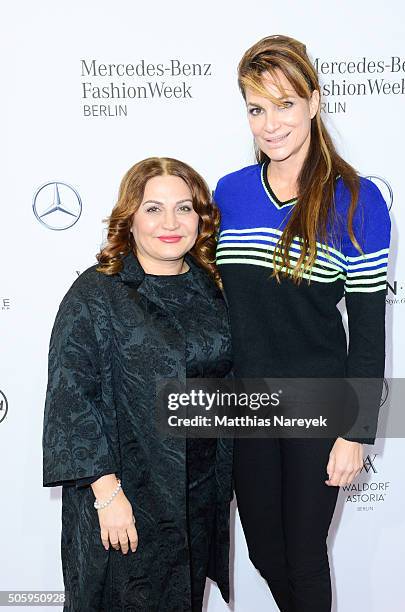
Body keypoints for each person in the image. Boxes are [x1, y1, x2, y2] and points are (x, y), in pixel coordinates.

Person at [213, 35, 391, 612]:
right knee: (265, 551)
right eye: (256, 108)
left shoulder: (357, 200)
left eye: (284, 103)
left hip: (318, 401)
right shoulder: (230, 192)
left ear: (314, 102)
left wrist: (357, 430)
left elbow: (367, 329)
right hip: (245, 403)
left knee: (305, 554)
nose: (270, 123)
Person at [42, 157, 233, 612]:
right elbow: (72, 398)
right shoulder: (96, 293)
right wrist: (107, 495)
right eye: (153, 209)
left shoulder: (212, 287)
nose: (170, 223)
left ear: (200, 219)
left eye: (184, 208)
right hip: (124, 496)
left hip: (196, 497)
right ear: (130, 217)